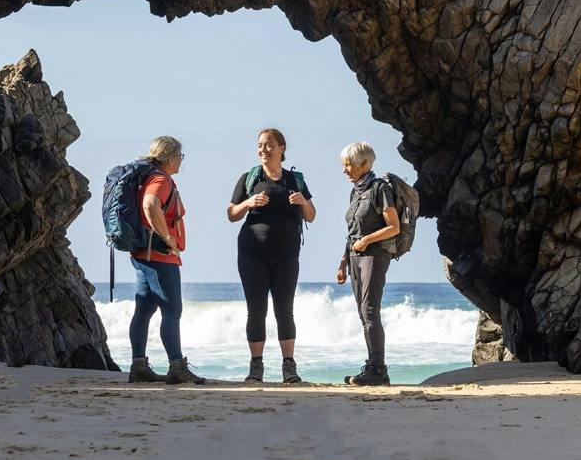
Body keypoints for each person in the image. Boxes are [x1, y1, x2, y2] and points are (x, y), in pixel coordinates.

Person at [226, 128, 317, 384]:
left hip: (287, 255)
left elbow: (311, 215)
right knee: (256, 310)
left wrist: (303, 202)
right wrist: (249, 203)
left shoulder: (294, 180)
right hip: (251, 254)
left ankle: (289, 367)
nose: (263, 150)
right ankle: (256, 367)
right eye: (260, 145)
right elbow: (232, 214)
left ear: (281, 148)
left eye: (268, 145)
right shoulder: (249, 178)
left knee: (284, 310)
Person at [127, 136, 206, 385]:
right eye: (180, 157)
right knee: (172, 311)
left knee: (145, 310)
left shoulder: (151, 177)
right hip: (160, 257)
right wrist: (168, 238)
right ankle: (176, 366)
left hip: (144, 255)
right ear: (171, 158)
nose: (181, 162)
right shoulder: (161, 179)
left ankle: (138, 365)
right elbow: (151, 205)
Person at [335, 140, 400, 386]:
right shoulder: (357, 190)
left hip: (375, 255)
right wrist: (342, 264)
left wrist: (367, 241)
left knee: (370, 311)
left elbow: (393, 227)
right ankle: (373, 367)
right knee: (363, 313)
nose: (345, 170)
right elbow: (352, 231)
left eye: (348, 164)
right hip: (355, 258)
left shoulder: (378, 189)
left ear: (364, 164)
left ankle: (378, 369)